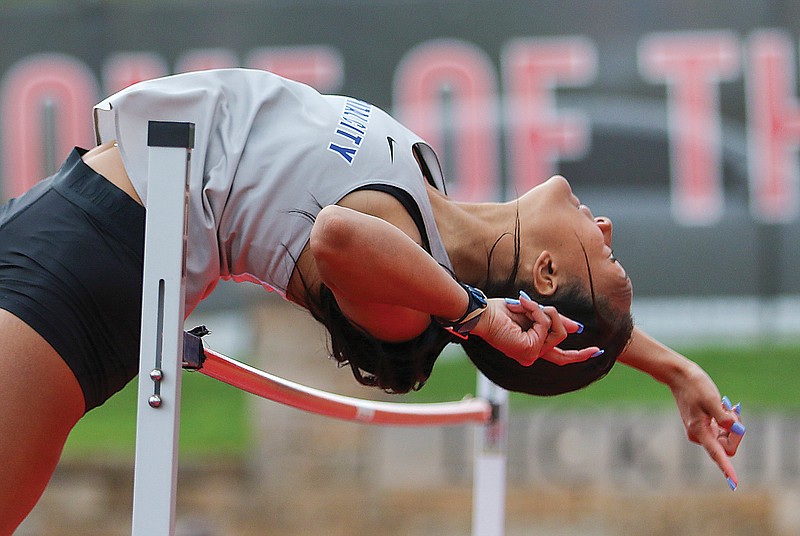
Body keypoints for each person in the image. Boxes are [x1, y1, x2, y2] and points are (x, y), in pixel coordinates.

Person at [0, 68, 744, 533]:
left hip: (83, 276)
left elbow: (338, 237)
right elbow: (589, 329)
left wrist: (476, 316)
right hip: (79, 217)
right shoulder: (431, 214)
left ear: (546, 275)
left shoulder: (412, 300)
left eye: (608, 256)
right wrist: (673, 369)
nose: (606, 227)